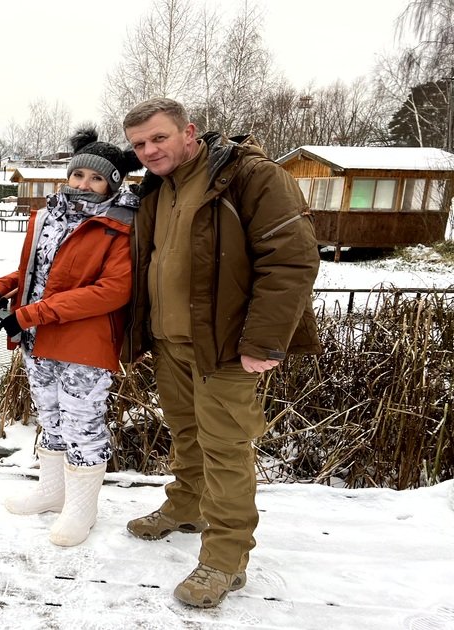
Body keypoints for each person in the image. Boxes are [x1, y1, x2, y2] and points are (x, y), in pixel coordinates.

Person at [121, 97, 322, 608]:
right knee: (185, 432)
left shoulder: (251, 177)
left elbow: (291, 260)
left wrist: (264, 340)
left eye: (159, 138)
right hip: (171, 342)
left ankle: (225, 559)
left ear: (189, 132)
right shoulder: (156, 190)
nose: (149, 150)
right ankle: (186, 505)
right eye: (139, 143)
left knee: (226, 449)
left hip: (226, 346)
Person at [0, 127, 141, 547]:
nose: (84, 185)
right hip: (39, 337)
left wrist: (30, 314)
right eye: (78, 175)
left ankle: (82, 509)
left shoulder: (122, 225)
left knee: (82, 423)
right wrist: (2, 287)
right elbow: (39, 274)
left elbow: (112, 291)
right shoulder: (46, 215)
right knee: (48, 416)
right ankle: (53, 492)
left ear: (113, 183)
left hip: (85, 341)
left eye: (96, 178)